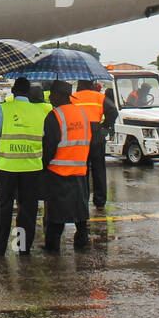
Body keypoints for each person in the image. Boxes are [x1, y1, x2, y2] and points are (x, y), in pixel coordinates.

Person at [0, 76, 49, 257]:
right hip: (31, 168)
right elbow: (44, 135)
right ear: (29, 93)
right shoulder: (41, 112)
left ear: (13, 92)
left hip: (8, 168)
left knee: (4, 208)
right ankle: (21, 247)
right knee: (27, 210)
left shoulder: (4, 109)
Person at [41, 80, 91, 252]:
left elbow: (49, 146)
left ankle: (52, 247)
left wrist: (43, 165)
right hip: (80, 169)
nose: (49, 97)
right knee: (80, 211)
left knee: (56, 215)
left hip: (58, 170)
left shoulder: (55, 116)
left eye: (52, 94)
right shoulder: (83, 114)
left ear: (60, 95)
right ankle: (82, 241)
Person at [71, 79, 116, 210]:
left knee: (82, 169)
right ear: (91, 85)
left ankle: (83, 199)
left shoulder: (73, 97)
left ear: (79, 85)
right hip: (96, 134)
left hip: (79, 133)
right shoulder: (99, 97)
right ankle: (100, 202)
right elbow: (113, 111)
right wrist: (104, 126)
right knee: (99, 169)